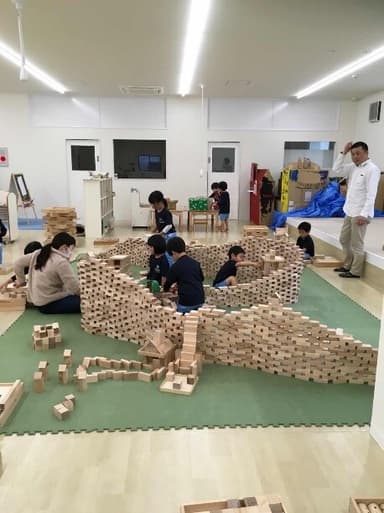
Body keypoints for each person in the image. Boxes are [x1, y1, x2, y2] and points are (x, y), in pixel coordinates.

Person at [332, 141, 380, 278]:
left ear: (366, 153)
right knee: (343, 239)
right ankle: (347, 265)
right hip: (350, 210)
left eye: (358, 153)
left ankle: (355, 271)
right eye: (353, 154)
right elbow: (336, 169)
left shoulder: (372, 169)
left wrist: (364, 215)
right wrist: (343, 153)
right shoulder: (353, 167)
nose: (355, 156)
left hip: (361, 214)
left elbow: (372, 195)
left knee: (356, 244)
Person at [14, 232, 81, 314]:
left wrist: (21, 281)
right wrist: (89, 294)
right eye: (72, 249)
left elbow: (18, 263)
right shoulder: (61, 262)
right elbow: (73, 287)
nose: (71, 252)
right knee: (87, 302)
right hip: (49, 303)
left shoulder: (39, 253)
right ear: (64, 247)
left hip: (37, 299)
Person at [163, 237, 205, 314]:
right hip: (200, 300)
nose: (172, 258)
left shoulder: (175, 267)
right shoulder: (195, 263)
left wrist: (166, 290)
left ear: (173, 252)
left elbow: (167, 285)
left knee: (179, 317)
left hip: (186, 302)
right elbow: (201, 279)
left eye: (171, 256)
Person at [148, 190, 177, 266]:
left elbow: (169, 225)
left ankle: (171, 269)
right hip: (163, 235)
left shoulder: (166, 212)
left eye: (154, 204)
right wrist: (153, 230)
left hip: (170, 235)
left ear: (160, 202)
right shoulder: (156, 211)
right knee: (162, 252)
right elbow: (158, 223)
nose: (153, 206)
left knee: (168, 254)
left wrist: (161, 233)